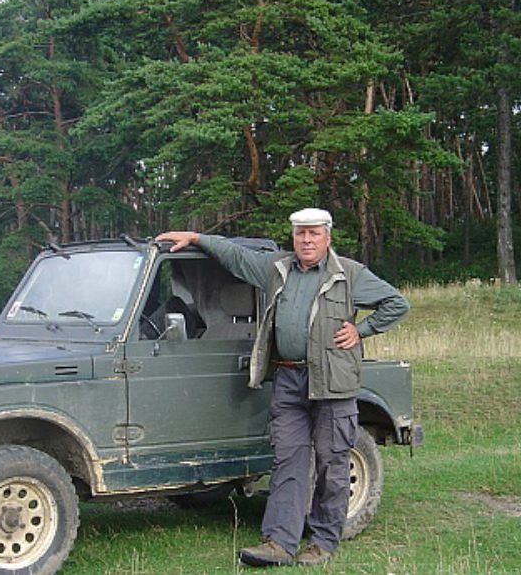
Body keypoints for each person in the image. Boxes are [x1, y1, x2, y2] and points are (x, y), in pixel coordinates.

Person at [156, 208, 409, 567]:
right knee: (288, 460)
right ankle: (279, 542)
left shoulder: (349, 274)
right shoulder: (278, 268)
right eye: (300, 234)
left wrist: (361, 330)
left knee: (332, 462)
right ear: (293, 237)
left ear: (327, 237)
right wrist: (197, 239)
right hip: (288, 379)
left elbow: (396, 303)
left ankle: (322, 542)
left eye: (313, 234)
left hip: (332, 382)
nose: (306, 240)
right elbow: (237, 257)